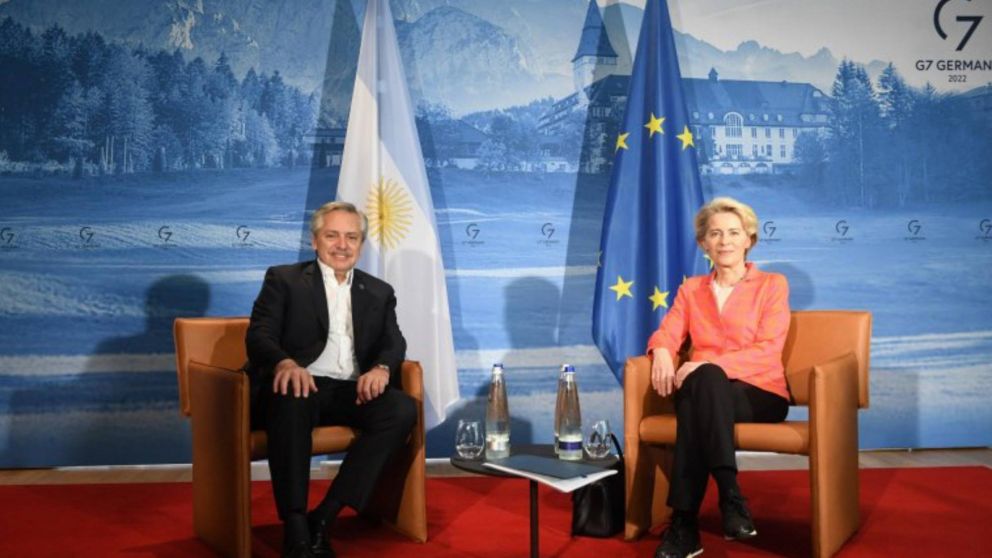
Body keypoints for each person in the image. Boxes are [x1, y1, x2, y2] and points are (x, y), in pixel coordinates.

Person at [246, 201, 416, 558]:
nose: (342, 245)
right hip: (297, 386)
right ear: (315, 241)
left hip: (348, 390)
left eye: (351, 237)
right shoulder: (284, 279)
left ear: (361, 244)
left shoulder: (379, 291)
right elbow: (259, 335)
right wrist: (285, 363)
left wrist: (382, 368)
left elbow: (393, 341)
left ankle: (325, 515)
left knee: (400, 409)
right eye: (332, 235)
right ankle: (294, 527)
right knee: (294, 394)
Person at [646, 197, 791, 558]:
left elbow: (769, 349)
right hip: (706, 393)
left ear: (749, 239)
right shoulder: (691, 289)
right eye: (715, 234)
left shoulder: (772, 285)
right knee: (704, 386)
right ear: (703, 244)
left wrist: (710, 366)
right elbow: (667, 332)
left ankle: (684, 525)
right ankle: (730, 496)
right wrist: (662, 350)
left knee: (703, 382)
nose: (725, 241)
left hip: (761, 392)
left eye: (733, 232)